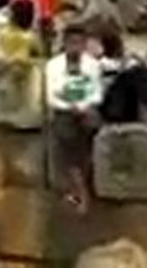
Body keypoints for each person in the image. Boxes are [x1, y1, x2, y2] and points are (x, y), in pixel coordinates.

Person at [46, 24, 102, 214]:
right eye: (72, 43)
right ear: (65, 43)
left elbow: (97, 93)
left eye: (79, 43)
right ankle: (83, 193)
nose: (75, 47)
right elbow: (52, 96)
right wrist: (71, 107)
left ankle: (80, 188)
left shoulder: (92, 65)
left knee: (89, 137)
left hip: (87, 109)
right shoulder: (53, 66)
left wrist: (84, 106)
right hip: (64, 111)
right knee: (68, 144)